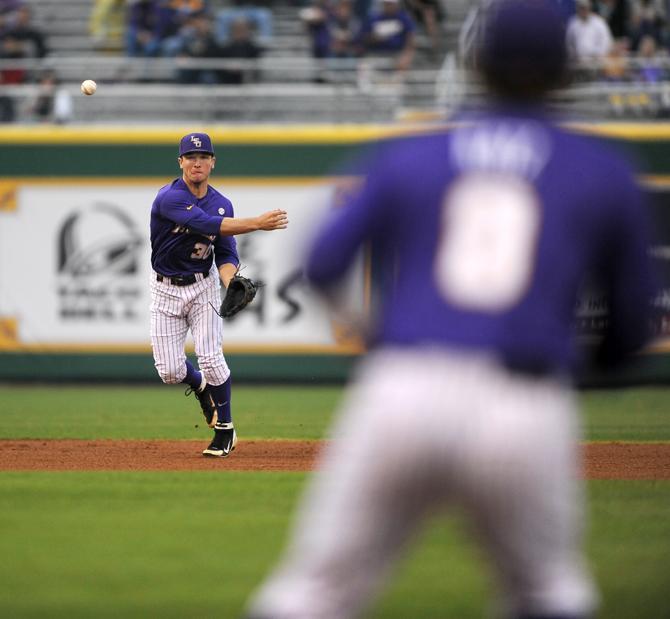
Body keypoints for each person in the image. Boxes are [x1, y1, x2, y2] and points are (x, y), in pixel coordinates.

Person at [245, 0, 655, 617]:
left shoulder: (412, 154)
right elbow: (630, 326)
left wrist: (374, 334)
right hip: (524, 396)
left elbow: (324, 262)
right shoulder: (602, 168)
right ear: (568, 71)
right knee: (546, 592)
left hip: (405, 386)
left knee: (316, 592)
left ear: (476, 64)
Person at [150, 132, 288, 457]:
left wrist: (230, 281)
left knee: (211, 358)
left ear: (212, 162)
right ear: (180, 162)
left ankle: (225, 430)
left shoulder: (222, 202)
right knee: (169, 372)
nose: (197, 162)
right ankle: (200, 387)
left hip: (203, 285)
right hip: (165, 288)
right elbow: (205, 222)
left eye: (203, 157)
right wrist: (256, 223)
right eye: (190, 157)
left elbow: (225, 253)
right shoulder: (168, 198)